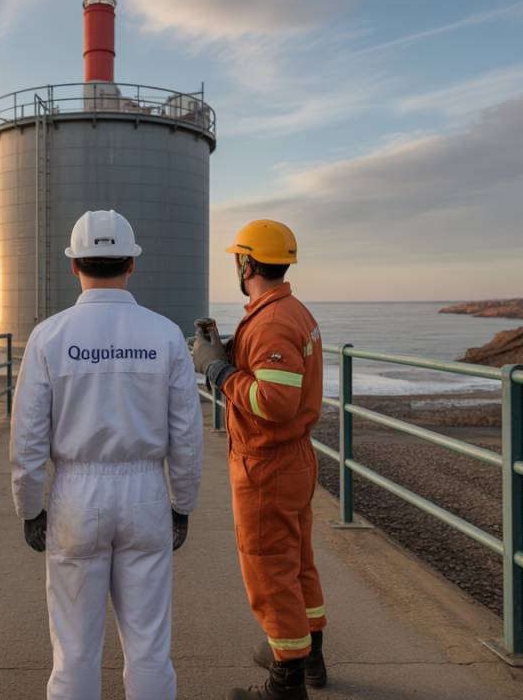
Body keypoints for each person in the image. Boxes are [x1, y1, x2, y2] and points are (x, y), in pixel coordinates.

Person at [10, 209, 204, 700]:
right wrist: (182, 503)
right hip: (145, 493)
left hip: (76, 495)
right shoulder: (163, 335)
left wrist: (30, 507)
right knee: (148, 645)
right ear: (131, 265)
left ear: (74, 264)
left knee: (74, 650)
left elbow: (28, 437)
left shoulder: (49, 337)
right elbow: (186, 432)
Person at [192, 219, 326, 700]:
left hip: (268, 462)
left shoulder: (271, 321)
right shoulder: (286, 311)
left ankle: (284, 682)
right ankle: (310, 656)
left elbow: (274, 402)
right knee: (297, 561)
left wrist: (217, 368)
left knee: (270, 570)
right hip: (291, 460)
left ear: (246, 263)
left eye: (237, 258)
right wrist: (227, 348)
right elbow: (276, 374)